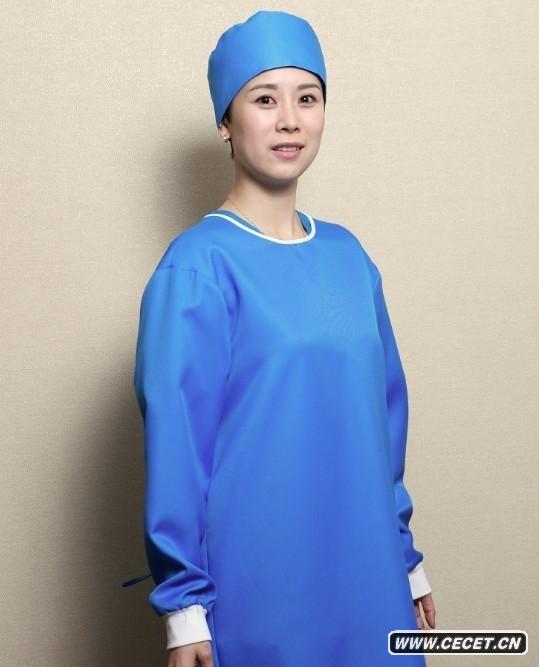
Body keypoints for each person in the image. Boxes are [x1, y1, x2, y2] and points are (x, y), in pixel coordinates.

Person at [121, 9, 436, 666]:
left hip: (369, 577)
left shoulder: (349, 258)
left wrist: (406, 563)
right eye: (264, 99)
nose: (289, 120)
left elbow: (382, 427)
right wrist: (184, 611)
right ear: (225, 121)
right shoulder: (198, 268)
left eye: (307, 98)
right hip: (260, 589)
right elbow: (178, 447)